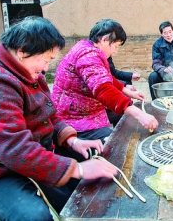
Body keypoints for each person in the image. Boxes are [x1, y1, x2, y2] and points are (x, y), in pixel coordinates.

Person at [0, 16, 118, 221]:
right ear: (22, 51)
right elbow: (15, 151)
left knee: (88, 184)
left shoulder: (28, 72)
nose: (46, 68)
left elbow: (49, 115)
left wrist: (71, 139)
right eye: (46, 59)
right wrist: (77, 168)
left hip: (28, 158)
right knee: (35, 216)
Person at [52, 19, 158, 161]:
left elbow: (105, 77)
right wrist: (140, 114)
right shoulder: (88, 56)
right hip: (75, 119)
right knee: (114, 146)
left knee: (123, 115)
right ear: (103, 39)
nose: (115, 50)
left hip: (82, 109)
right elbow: (103, 88)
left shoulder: (87, 48)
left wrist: (127, 91)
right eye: (115, 45)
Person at [106, 56, 141, 126]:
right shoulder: (92, 58)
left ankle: (124, 110)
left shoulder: (107, 55)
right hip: (95, 112)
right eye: (115, 46)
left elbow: (113, 73)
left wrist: (130, 75)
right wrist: (124, 86)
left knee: (128, 81)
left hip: (110, 86)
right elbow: (104, 81)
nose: (114, 51)